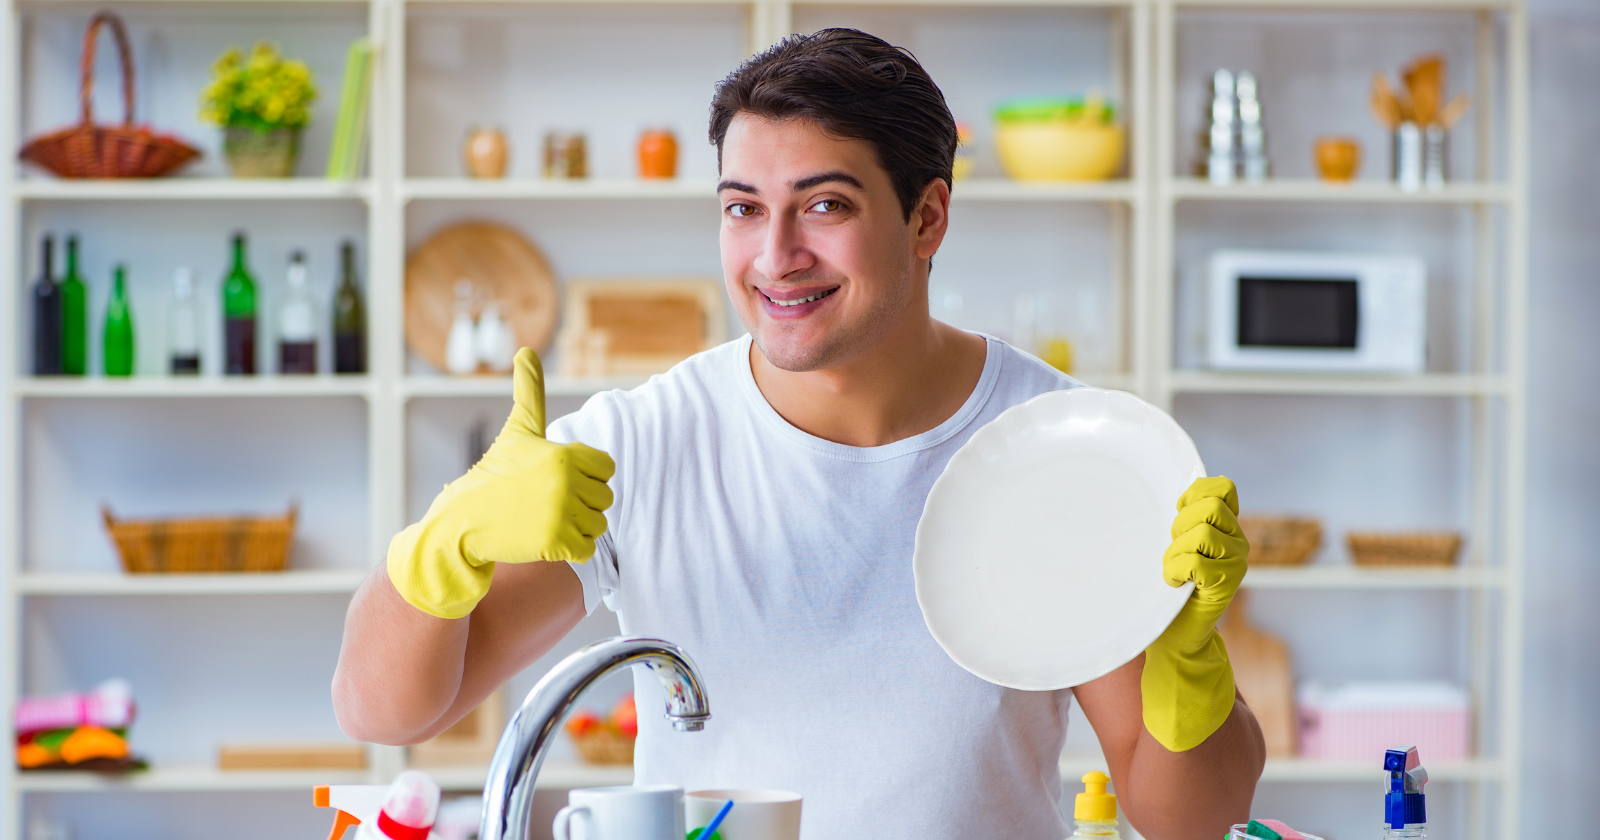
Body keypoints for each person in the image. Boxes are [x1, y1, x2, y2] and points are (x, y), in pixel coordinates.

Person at [335, 28, 1263, 840]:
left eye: (825, 206)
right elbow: (382, 711)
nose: (775, 257)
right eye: (744, 208)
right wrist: (444, 541)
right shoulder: (643, 445)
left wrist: (1189, 665)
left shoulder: (1057, 451)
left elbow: (1187, 821)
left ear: (927, 217)